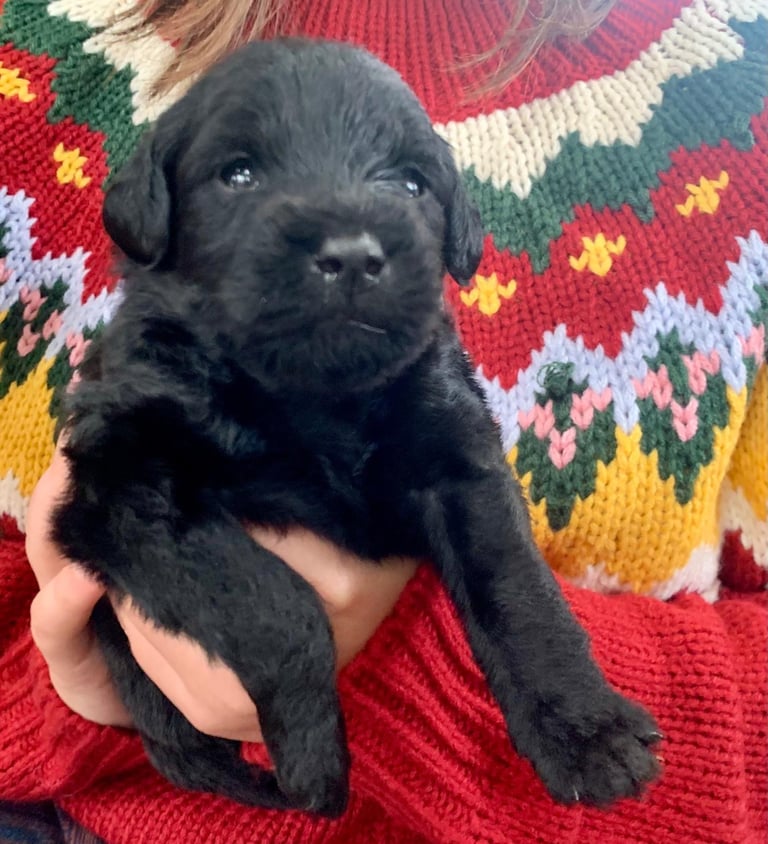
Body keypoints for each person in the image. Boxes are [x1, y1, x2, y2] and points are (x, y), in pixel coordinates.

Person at [0, 0, 765, 841]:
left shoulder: (743, 83)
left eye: (407, 182)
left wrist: (397, 670)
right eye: (242, 172)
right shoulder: (38, 54)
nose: (351, 243)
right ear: (157, 209)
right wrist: (84, 692)